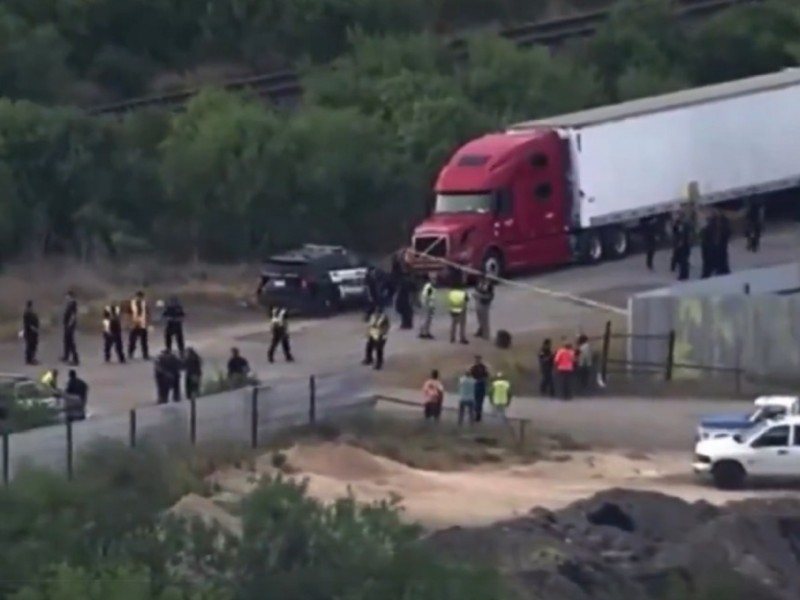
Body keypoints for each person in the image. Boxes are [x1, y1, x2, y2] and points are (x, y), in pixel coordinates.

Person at [128, 290, 150, 360]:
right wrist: (129, 323)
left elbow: (148, 314)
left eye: (141, 297)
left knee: (144, 341)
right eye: (138, 297)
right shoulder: (132, 303)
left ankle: (145, 354)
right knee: (132, 341)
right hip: (134, 324)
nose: (139, 298)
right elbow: (128, 314)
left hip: (142, 324)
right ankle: (130, 354)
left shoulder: (144, 304)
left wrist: (148, 323)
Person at [473, 274, 495, 340]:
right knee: (479, 318)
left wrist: (481, 296)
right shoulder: (479, 284)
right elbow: (476, 290)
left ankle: (486, 335)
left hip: (484, 304)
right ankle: (481, 331)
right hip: (478, 302)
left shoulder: (489, 285)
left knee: (485, 320)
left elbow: (490, 296)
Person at [469, 355, 490, 422]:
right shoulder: (483, 367)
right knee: (479, 401)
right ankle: (478, 414)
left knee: (477, 400)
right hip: (481, 384)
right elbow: (487, 375)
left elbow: (470, 375)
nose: (477, 360)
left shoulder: (474, 367)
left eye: (477, 359)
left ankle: (477, 414)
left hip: (477, 384)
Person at [61, 290, 80, 365]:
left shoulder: (73, 304)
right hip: (67, 325)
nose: (66, 297)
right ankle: (66, 356)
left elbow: (73, 315)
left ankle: (76, 359)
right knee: (66, 341)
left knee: (71, 342)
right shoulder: (69, 304)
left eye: (67, 296)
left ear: (70, 296)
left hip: (70, 325)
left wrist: (70, 324)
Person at [418, 274, 436, 339]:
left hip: (428, 305)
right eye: (433, 279)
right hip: (427, 306)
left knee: (428, 320)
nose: (435, 281)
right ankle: (423, 332)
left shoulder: (430, 287)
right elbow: (427, 297)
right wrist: (429, 305)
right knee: (426, 319)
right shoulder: (429, 287)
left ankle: (426, 332)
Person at [22, 300, 39, 365]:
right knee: (30, 346)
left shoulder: (31, 313)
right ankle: (30, 359)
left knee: (32, 345)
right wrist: (34, 329)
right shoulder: (27, 313)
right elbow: (27, 324)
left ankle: (30, 359)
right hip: (30, 332)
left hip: (33, 332)